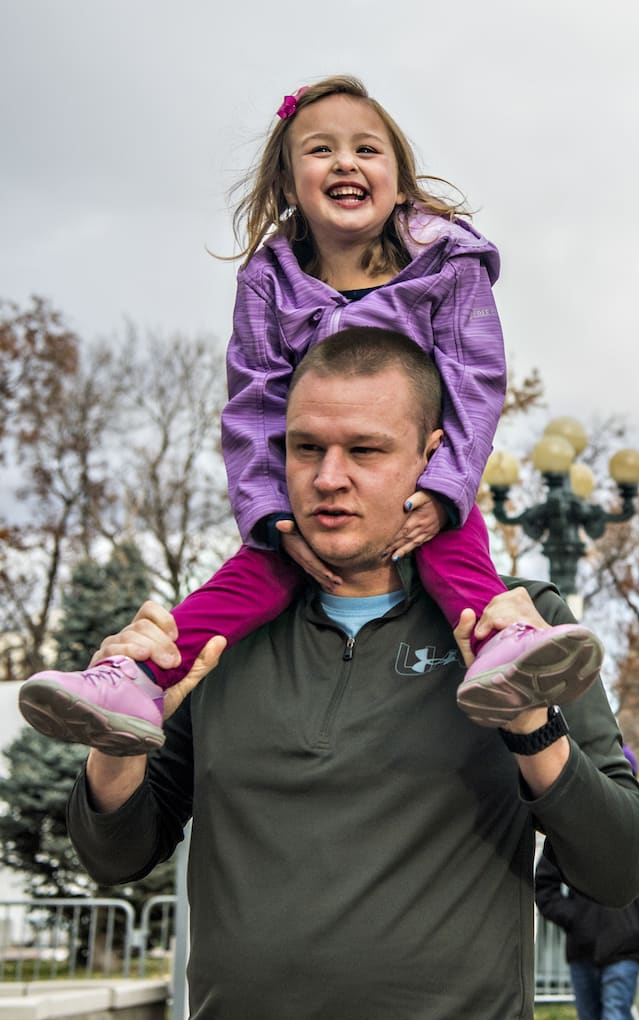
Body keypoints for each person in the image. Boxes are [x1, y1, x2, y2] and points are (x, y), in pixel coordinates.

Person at [65, 328, 639, 1020]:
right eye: (306, 447)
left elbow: (620, 866)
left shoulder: (523, 626)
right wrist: (115, 744)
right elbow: (115, 856)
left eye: (366, 450)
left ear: (434, 458)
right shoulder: (215, 630)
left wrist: (531, 721)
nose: (327, 476)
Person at [20, 74, 602, 755]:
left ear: (398, 178)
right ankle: (139, 677)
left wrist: (446, 489)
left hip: (421, 482)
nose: (346, 162)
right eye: (321, 150)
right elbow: (256, 404)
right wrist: (271, 516)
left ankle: (503, 651)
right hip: (312, 505)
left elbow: (475, 380)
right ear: (291, 183)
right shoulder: (270, 282)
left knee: (458, 555)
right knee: (244, 580)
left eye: (367, 149)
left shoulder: (448, 264)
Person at [535, 754, 639, 1020]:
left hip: (625, 947)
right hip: (583, 947)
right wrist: (573, 919)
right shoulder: (573, 823)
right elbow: (544, 885)